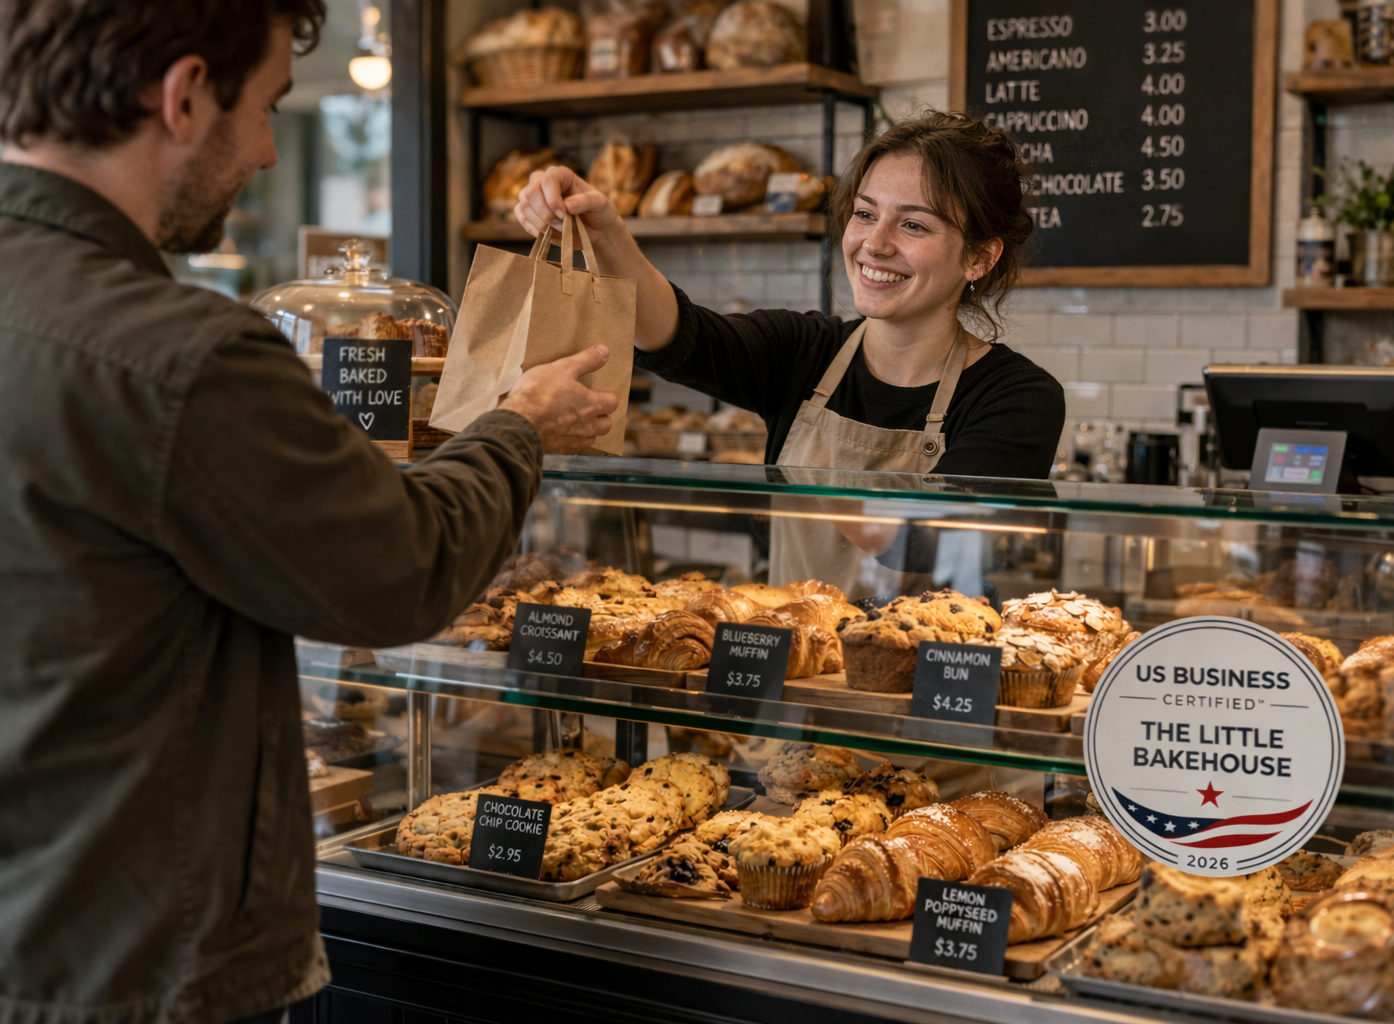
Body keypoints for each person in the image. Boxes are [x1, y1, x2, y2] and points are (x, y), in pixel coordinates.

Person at [0, 2, 616, 1022]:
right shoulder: (181, 353)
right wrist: (518, 425)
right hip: (150, 967)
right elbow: (400, 569)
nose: (268, 150)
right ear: (185, 93)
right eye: (270, 104)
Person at [517, 112, 1064, 594]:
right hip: (796, 673)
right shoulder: (806, 351)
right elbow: (682, 337)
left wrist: (796, 478)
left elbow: (918, 540)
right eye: (866, 213)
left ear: (979, 258)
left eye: (914, 224)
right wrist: (606, 230)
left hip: (925, 691)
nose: (874, 244)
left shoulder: (1018, 397)